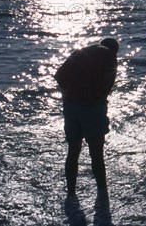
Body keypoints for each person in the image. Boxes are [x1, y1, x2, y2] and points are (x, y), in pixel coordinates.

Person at [54, 38, 119, 195]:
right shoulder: (109, 55)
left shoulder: (80, 52)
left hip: (71, 107)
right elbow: (108, 81)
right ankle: (102, 193)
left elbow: (58, 76)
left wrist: (68, 96)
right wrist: (100, 98)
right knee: (96, 153)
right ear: (114, 50)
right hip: (92, 108)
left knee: (73, 150)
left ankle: (71, 192)